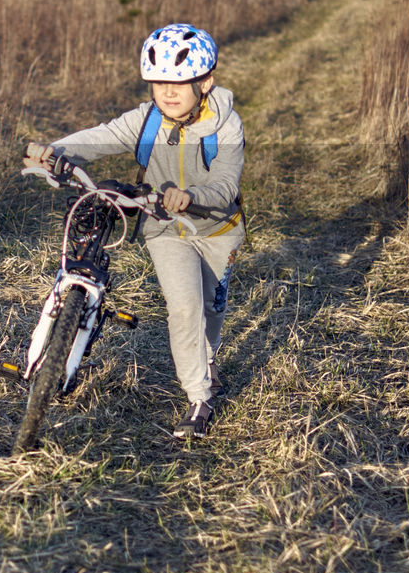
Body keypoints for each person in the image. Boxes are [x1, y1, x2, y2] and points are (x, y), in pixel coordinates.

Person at [23, 23, 245, 438]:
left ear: (205, 81)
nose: (168, 92)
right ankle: (199, 398)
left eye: (179, 82)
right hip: (164, 227)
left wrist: (192, 194)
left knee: (212, 309)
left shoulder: (226, 126)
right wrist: (55, 151)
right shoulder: (145, 121)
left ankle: (207, 359)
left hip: (218, 229)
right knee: (185, 308)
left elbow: (227, 183)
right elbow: (101, 137)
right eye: (159, 82)